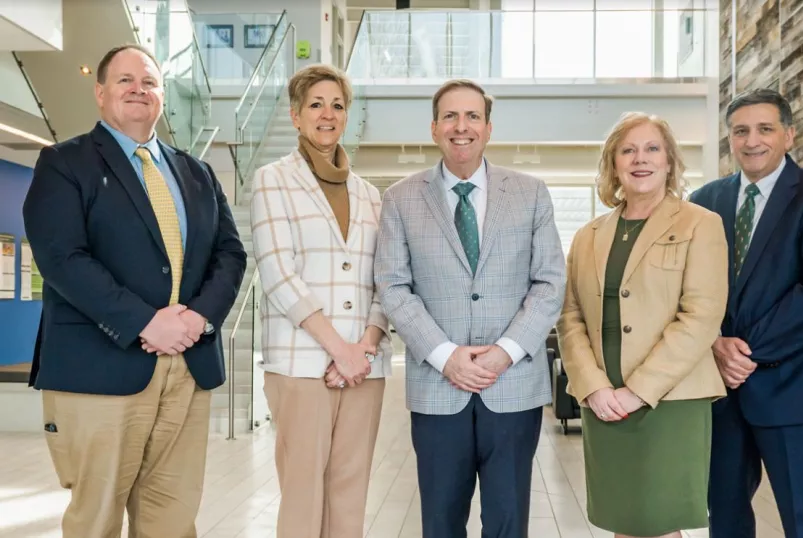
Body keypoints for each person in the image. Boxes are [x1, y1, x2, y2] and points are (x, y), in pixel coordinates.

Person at [21, 44, 246, 537]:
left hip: (187, 366)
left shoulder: (197, 172)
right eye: (125, 80)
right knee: (96, 519)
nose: (138, 89)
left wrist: (195, 319)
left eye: (149, 81)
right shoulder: (64, 163)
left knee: (172, 517)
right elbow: (62, 258)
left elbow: (230, 254)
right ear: (100, 93)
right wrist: (146, 321)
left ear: (162, 96)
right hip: (101, 368)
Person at [374, 79, 566, 538]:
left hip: (513, 386)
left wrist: (504, 351)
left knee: (508, 521)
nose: (462, 127)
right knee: (440, 522)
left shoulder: (531, 193)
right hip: (438, 389)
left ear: (488, 127)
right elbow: (393, 286)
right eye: (451, 117)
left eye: (473, 116)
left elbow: (550, 282)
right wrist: (445, 355)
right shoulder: (399, 199)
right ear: (435, 128)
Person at [689, 88, 803, 538]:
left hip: (796, 387)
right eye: (740, 131)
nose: (752, 140)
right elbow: (690, 289)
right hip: (720, 393)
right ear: (729, 139)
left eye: (765, 129)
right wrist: (714, 343)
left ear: (788, 134)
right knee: (723, 519)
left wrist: (740, 354)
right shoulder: (704, 202)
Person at [557, 112, 728, 538]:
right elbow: (570, 316)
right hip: (603, 400)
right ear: (613, 164)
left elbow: (701, 316)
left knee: (660, 521)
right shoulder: (587, 236)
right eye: (627, 150)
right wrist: (594, 386)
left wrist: (638, 390)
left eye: (652, 148)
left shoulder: (700, 224)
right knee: (624, 520)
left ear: (669, 162)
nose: (640, 159)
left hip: (668, 400)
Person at [250, 63, 392, 538]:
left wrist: (364, 348)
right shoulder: (273, 180)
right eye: (316, 105)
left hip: (364, 366)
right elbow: (278, 272)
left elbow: (386, 280)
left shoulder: (372, 196)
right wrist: (340, 349)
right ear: (295, 116)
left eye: (337, 105)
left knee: (350, 490)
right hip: (302, 363)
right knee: (303, 490)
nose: (327, 114)